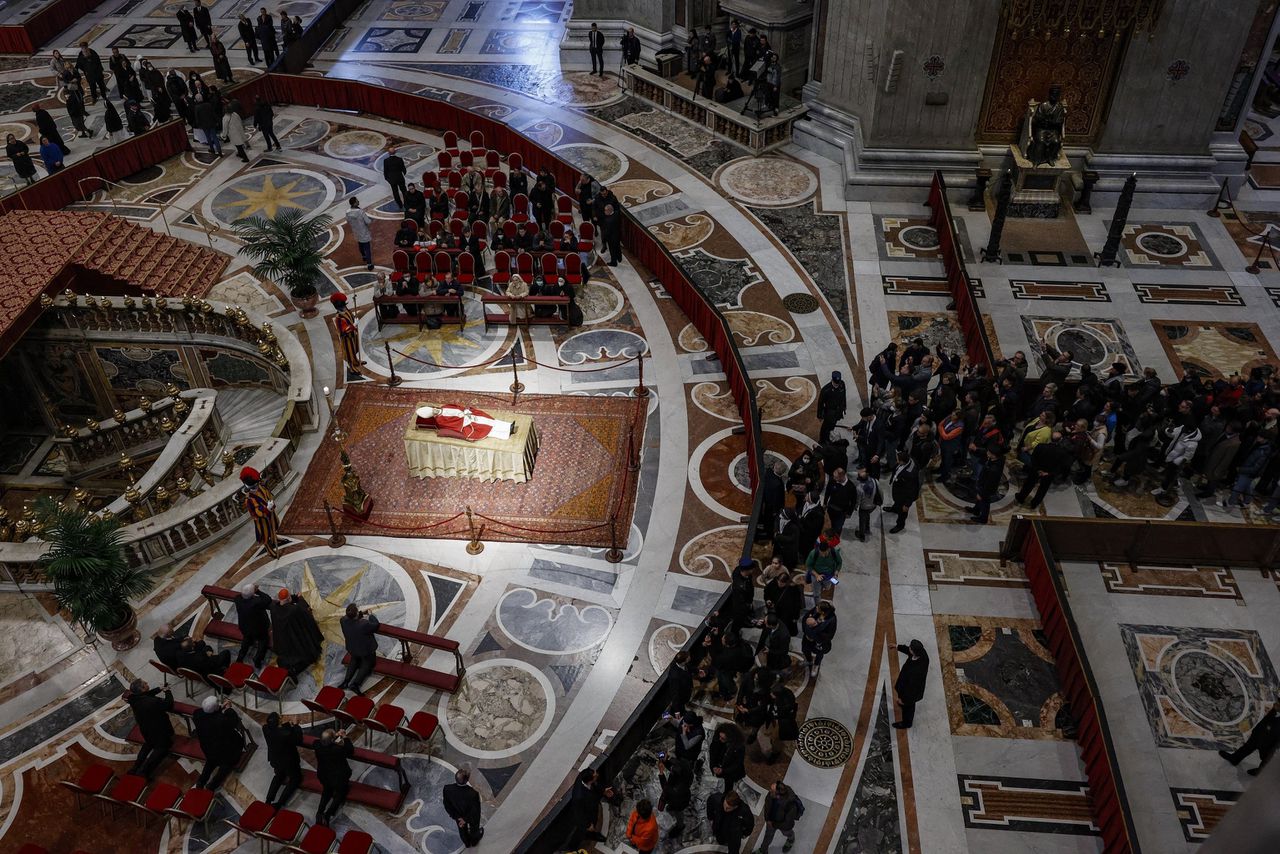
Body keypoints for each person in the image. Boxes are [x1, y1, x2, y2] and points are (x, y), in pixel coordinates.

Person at [192, 695, 245, 789]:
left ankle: (201, 782)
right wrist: (228, 708)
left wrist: (220, 707)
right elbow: (232, 721)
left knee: (210, 762)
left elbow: (210, 714)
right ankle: (212, 786)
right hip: (224, 750)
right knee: (226, 765)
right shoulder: (221, 721)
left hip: (208, 748)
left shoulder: (197, 714)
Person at [127, 679, 174, 777]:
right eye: (145, 683)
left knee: (148, 744)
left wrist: (159, 689)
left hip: (145, 729)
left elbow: (145, 695)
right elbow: (168, 704)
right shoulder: (152, 702)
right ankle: (144, 771)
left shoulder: (132, 698)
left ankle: (135, 767)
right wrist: (167, 691)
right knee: (162, 748)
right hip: (158, 730)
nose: (147, 683)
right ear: (142, 688)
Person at [270, 588, 323, 677]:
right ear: (289, 598)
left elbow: (287, 602)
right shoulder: (294, 610)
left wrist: (294, 597)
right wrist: (300, 599)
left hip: (281, 637)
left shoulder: (274, 609)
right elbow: (304, 611)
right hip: (295, 634)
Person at [1219, 702, 1278, 776]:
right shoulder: (1275, 710)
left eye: (1279, 703)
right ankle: (1235, 759)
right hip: (1260, 734)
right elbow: (1267, 720)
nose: (1276, 703)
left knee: (1267, 756)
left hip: (1271, 740)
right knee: (1248, 746)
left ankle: (1261, 771)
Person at [314, 728, 355, 826]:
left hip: (323, 775)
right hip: (338, 777)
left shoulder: (317, 745)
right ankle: (328, 814)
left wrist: (334, 736)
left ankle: (319, 813)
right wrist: (344, 737)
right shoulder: (337, 749)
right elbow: (350, 750)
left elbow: (320, 741)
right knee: (341, 793)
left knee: (326, 791)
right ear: (332, 740)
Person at [262, 711, 303, 807]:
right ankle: (280, 803)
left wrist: (287, 725)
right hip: (289, 761)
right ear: (278, 722)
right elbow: (298, 739)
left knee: (279, 776)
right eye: (280, 718)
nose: (282, 718)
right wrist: (296, 725)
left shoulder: (265, 728)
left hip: (275, 759)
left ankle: (269, 799)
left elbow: (280, 730)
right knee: (295, 779)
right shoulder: (285, 734)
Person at [338, 603, 380, 694]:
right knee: (367, 664)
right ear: (356, 614)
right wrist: (370, 614)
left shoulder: (342, 620)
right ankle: (355, 684)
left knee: (353, 661)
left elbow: (350, 619)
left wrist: (359, 615)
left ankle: (346, 682)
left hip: (352, 648)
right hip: (365, 650)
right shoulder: (363, 624)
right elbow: (376, 625)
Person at [240, 466, 280, 558]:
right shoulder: (249, 499)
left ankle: (274, 539)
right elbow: (257, 511)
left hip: (270, 514)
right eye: (254, 486)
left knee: (274, 528)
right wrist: (267, 509)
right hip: (261, 520)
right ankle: (268, 549)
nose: (256, 488)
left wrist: (271, 503)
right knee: (265, 535)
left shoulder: (261, 488)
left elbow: (268, 495)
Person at [567, 768, 613, 846]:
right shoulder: (579, 796)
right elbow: (579, 814)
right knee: (582, 831)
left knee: (593, 823)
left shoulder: (584, 775)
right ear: (590, 780)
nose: (597, 775)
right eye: (595, 775)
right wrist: (587, 825)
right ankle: (574, 844)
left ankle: (591, 833)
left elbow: (594, 785)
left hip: (591, 808)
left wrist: (603, 791)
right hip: (586, 815)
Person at [233, 582, 272, 668]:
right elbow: (268, 599)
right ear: (253, 593)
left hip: (244, 627)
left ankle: (240, 657)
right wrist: (258, 591)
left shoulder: (237, 599)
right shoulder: (257, 602)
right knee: (263, 640)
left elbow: (243, 595)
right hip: (259, 629)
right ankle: (258, 659)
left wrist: (251, 592)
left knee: (246, 639)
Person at [443, 766, 484, 846]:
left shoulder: (447, 789)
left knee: (462, 829)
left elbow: (447, 805)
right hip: (469, 816)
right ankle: (474, 841)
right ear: (467, 780)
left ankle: (467, 843)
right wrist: (465, 819)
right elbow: (475, 811)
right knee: (474, 827)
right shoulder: (473, 794)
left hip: (458, 815)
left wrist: (458, 817)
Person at [894, 639, 930, 728]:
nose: (909, 648)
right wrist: (897, 647)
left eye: (911, 648)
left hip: (910, 694)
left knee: (908, 708)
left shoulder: (918, 671)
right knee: (906, 704)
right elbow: (909, 651)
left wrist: (904, 700)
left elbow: (911, 689)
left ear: (915, 652)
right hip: (906, 685)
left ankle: (906, 723)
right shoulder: (920, 653)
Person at [759, 780, 803, 852]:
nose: (769, 790)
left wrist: (773, 824)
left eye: (772, 790)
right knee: (767, 837)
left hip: (783, 826)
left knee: (788, 833)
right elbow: (767, 806)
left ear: (777, 795)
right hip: (771, 821)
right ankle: (763, 850)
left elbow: (787, 822)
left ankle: (791, 840)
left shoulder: (790, 805)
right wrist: (767, 819)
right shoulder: (772, 795)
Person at [706, 789, 753, 854]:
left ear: (735, 807)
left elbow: (750, 823)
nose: (725, 809)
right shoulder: (717, 799)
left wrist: (745, 834)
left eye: (728, 808)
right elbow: (710, 801)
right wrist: (710, 817)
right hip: (720, 827)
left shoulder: (744, 811)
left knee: (734, 851)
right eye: (724, 805)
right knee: (720, 840)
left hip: (734, 834)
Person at [657, 752, 693, 836]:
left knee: (678, 813)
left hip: (679, 802)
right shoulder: (684, 768)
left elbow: (666, 789)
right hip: (678, 795)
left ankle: (680, 826)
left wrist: (661, 773)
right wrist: (665, 761)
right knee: (673, 807)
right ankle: (672, 808)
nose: (671, 768)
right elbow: (673, 768)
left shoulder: (679, 787)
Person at [968, 446, 1005, 524]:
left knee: (985, 502)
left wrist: (981, 494)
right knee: (980, 500)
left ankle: (983, 518)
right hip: (983, 483)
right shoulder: (995, 459)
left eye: (989, 453)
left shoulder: (994, 469)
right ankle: (976, 510)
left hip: (986, 488)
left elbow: (989, 484)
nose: (987, 453)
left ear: (994, 455)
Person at [886, 450, 920, 534]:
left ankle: (900, 525)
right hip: (898, 489)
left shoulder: (910, 474)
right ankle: (894, 508)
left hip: (904, 495)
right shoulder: (905, 461)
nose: (896, 460)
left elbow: (912, 490)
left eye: (897, 459)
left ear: (902, 461)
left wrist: (907, 504)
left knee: (902, 511)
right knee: (897, 501)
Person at [330, 292, 363, 375]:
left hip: (352, 335)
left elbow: (351, 316)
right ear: (339, 307)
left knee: (354, 350)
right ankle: (352, 368)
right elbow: (343, 330)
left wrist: (354, 318)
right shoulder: (339, 318)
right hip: (347, 338)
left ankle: (355, 361)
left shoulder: (345, 310)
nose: (345, 308)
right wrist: (354, 325)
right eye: (343, 306)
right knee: (349, 353)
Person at [800, 601, 836, 676]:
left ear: (822, 612)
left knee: (819, 654)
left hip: (819, 642)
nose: (816, 607)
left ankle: (816, 665)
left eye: (818, 608)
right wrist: (806, 632)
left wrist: (815, 634)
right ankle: (809, 661)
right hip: (807, 638)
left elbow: (829, 635)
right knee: (805, 650)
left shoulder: (831, 620)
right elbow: (805, 618)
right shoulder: (817, 609)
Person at [708, 723, 746, 793]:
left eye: (723, 738)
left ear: (730, 739)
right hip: (719, 764)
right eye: (720, 736)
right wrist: (713, 766)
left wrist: (724, 771)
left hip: (729, 772)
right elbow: (712, 752)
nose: (720, 739)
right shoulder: (718, 738)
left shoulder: (739, 747)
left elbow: (737, 764)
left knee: (728, 787)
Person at [343, 197, 375, 270]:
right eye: (357, 201)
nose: (358, 201)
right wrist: (371, 220)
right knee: (367, 248)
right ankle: (369, 264)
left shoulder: (348, 212)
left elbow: (348, 221)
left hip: (356, 231)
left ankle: (364, 256)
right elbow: (367, 221)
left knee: (360, 244)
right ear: (354, 203)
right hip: (363, 231)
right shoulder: (360, 212)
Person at [601, 202, 622, 266]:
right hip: (617, 235)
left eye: (605, 210)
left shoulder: (608, 220)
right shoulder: (617, 214)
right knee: (618, 247)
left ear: (609, 211)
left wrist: (604, 239)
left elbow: (607, 232)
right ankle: (619, 258)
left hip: (611, 238)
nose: (604, 211)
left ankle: (614, 262)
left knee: (612, 250)